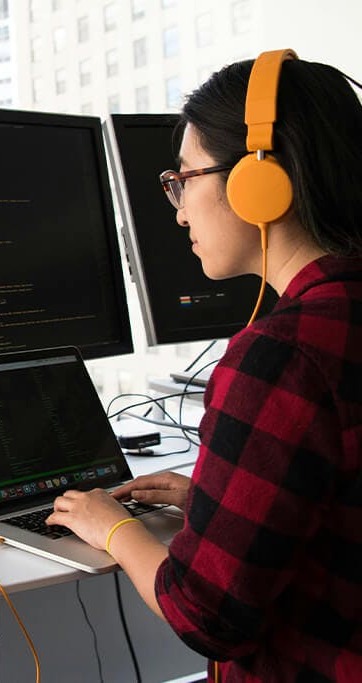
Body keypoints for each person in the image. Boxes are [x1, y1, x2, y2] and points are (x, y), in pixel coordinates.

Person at [46, 51, 362, 681]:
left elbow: (207, 615)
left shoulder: (280, 357)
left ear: (261, 180)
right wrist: (217, 506)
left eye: (184, 178)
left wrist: (112, 528)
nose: (179, 209)